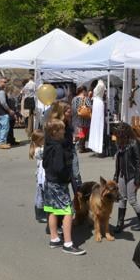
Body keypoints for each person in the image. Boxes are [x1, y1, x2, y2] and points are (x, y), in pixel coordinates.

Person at [43, 118, 86, 255]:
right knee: (68, 210)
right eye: (62, 129)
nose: (64, 131)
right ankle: (68, 243)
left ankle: (54, 238)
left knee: (52, 209)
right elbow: (59, 167)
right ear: (55, 132)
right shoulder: (58, 147)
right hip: (58, 183)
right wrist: (66, 177)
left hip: (49, 181)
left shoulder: (48, 144)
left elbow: (45, 163)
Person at [113, 122, 140, 232]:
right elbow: (118, 161)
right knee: (122, 198)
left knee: (132, 200)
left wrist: (138, 180)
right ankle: (120, 223)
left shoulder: (134, 143)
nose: (116, 136)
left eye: (118, 133)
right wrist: (116, 177)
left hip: (132, 176)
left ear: (124, 133)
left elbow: (138, 162)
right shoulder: (119, 143)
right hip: (122, 175)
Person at [29, 129, 46, 223]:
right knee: (40, 195)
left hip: (42, 175)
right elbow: (43, 154)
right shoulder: (38, 150)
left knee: (41, 195)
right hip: (41, 177)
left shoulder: (40, 148)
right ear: (39, 141)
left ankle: (42, 212)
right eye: (44, 139)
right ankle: (39, 214)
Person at [0, 77, 16, 150]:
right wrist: (10, 110)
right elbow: (3, 102)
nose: (5, 83)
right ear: (0, 82)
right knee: (4, 127)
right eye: (4, 82)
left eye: (6, 82)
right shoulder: (1, 91)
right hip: (2, 112)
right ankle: (2, 142)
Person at [88, 79, 106, 154]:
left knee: (97, 125)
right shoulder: (101, 84)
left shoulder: (100, 84)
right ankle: (95, 145)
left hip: (97, 103)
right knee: (96, 125)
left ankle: (97, 145)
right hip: (97, 103)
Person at [71, 86, 91, 152]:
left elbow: (72, 108)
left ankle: (78, 145)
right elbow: (89, 107)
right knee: (84, 131)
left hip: (76, 117)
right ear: (83, 91)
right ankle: (81, 146)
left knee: (79, 131)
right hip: (84, 117)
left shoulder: (74, 99)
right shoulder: (86, 98)